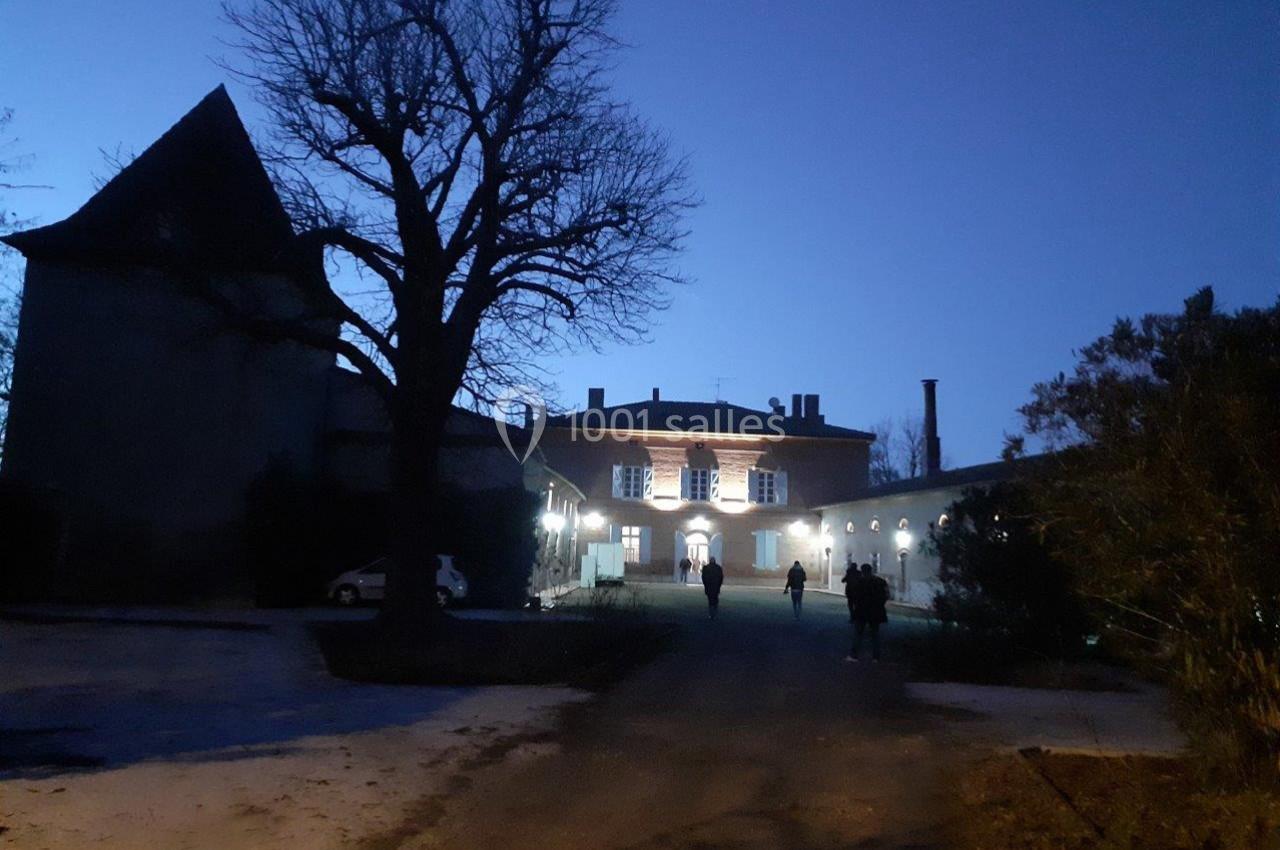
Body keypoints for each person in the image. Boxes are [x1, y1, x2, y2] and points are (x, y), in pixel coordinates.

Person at [846, 563, 888, 662]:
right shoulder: (880, 581)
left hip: (862, 611)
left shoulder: (859, 582)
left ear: (862, 571)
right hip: (876, 611)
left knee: (858, 634)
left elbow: (854, 596)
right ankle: (876, 657)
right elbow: (886, 595)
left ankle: (854, 655)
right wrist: (880, 605)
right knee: (875, 635)